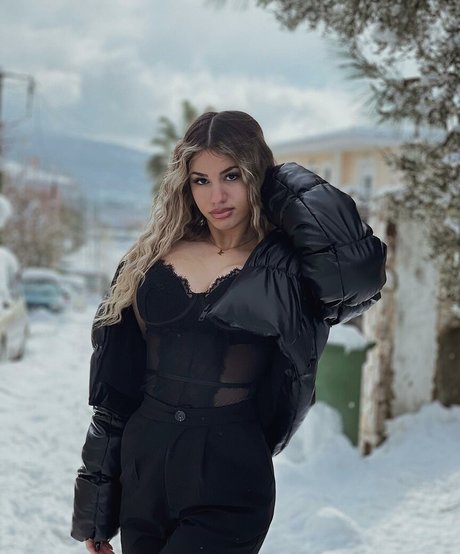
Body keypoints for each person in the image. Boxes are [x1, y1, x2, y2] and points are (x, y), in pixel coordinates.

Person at [71, 110, 387, 553]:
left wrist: (282, 183)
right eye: (200, 180)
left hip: (230, 475)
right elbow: (113, 394)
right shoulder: (148, 259)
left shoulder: (289, 269)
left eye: (232, 175)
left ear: (256, 173)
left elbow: (359, 277)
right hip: (144, 470)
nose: (216, 196)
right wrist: (96, 513)